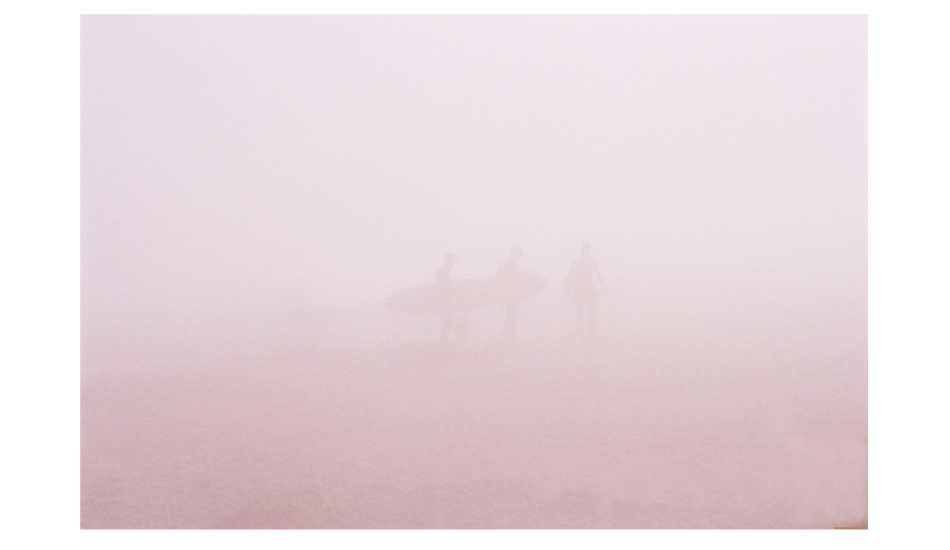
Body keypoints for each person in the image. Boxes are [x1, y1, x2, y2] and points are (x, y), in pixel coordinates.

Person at [565, 243, 606, 341]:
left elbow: (598, 274)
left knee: (592, 311)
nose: (587, 252)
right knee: (581, 311)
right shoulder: (578, 262)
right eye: (586, 250)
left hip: (589, 288)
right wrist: (568, 289)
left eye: (588, 250)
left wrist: (604, 287)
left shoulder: (592, 261)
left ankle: (590, 332)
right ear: (583, 250)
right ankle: (581, 333)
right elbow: (571, 276)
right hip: (581, 288)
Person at [496, 246, 523, 343]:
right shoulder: (511, 264)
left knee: (511, 314)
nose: (520, 258)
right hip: (509, 293)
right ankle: (509, 335)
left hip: (508, 293)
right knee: (512, 314)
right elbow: (512, 279)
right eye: (520, 255)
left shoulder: (507, 264)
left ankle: (508, 335)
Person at [436, 252, 456, 345]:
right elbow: (444, 288)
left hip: (444, 301)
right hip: (444, 302)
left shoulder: (444, 272)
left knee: (446, 323)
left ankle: (444, 343)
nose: (454, 265)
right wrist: (451, 300)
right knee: (445, 322)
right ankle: (444, 344)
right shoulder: (443, 272)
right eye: (453, 262)